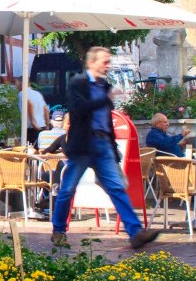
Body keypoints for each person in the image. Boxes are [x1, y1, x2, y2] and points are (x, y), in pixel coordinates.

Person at [50, 46, 160, 249]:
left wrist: (113, 147)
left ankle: (135, 233)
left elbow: (106, 120)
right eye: (105, 61)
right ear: (92, 63)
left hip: (102, 144)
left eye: (109, 61)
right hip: (83, 145)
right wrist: (105, 98)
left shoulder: (104, 86)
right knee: (67, 189)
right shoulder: (78, 83)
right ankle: (58, 230)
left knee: (116, 188)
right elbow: (79, 110)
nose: (108, 65)